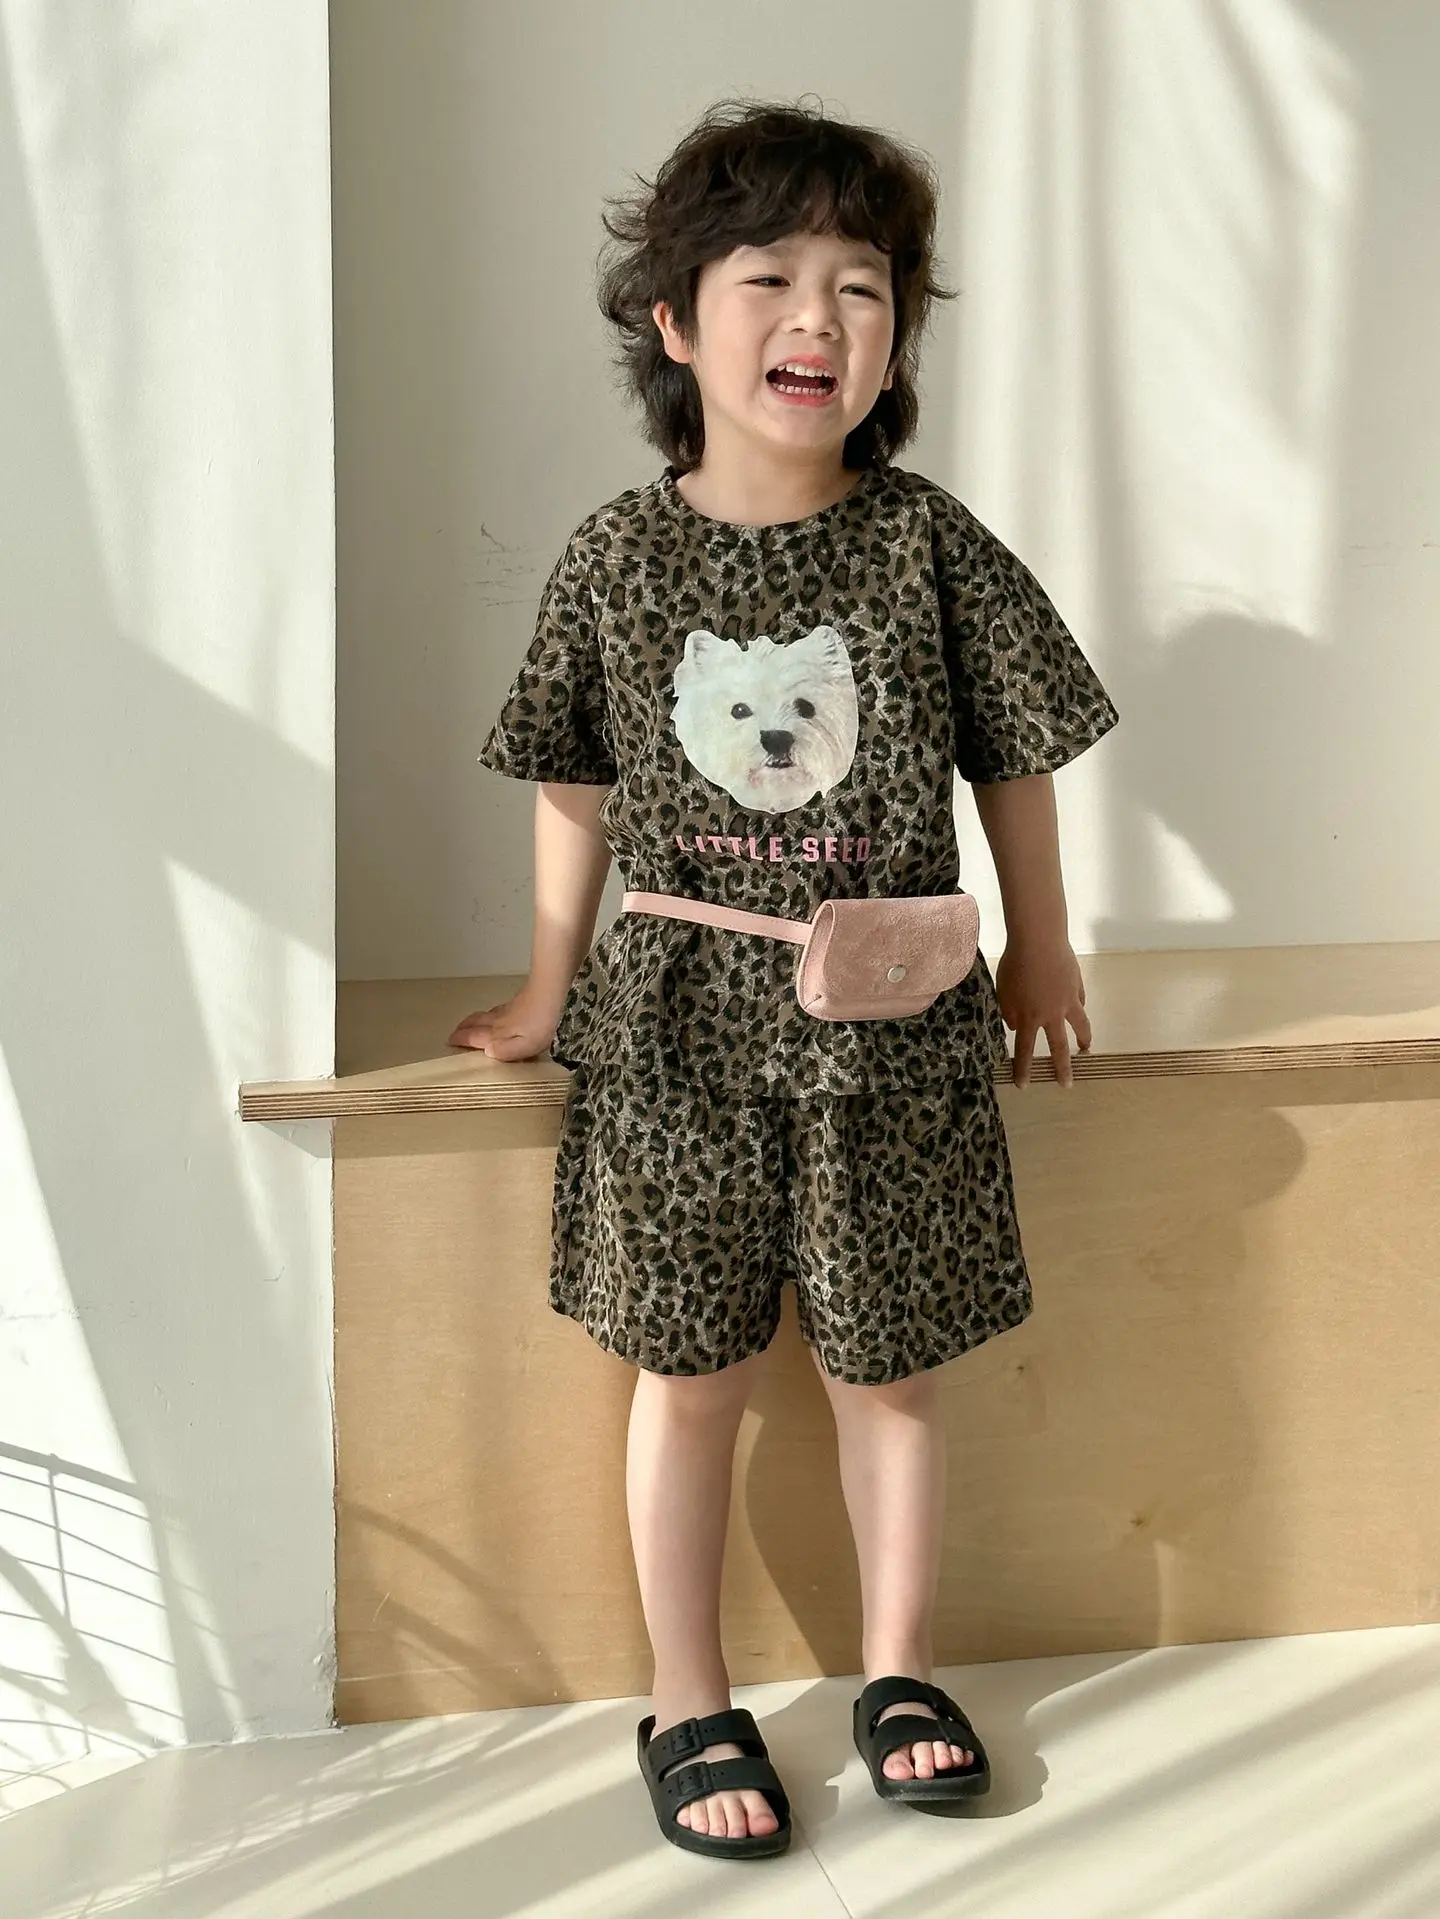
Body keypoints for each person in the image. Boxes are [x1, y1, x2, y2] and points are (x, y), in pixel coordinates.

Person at [452, 97, 1119, 1861]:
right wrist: (544, 987)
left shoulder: (928, 543)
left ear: (896, 336)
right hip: (675, 1031)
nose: (819, 315)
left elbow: (1016, 749)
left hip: (891, 1027)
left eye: (863, 285)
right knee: (688, 1371)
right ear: (675, 320)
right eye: (770, 277)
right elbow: (572, 776)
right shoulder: (614, 555)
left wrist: (1044, 942)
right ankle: (687, 1695)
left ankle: (900, 1669)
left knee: (889, 1368)